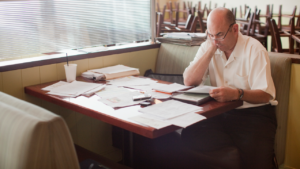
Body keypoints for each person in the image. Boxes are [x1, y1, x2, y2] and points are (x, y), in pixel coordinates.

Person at [181, 7, 277, 169]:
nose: (215, 40)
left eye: (219, 35)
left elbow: (265, 95)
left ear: (235, 29)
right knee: (189, 134)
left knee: (256, 161)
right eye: (210, 35)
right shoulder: (210, 45)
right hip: (220, 112)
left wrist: (237, 94)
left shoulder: (254, 49)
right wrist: (212, 47)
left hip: (254, 114)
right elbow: (189, 81)